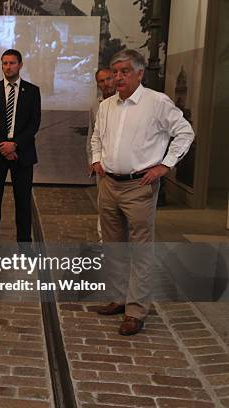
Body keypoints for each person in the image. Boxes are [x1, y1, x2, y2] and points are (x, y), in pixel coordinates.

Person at [90, 49, 194, 335]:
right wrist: (96, 159)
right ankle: (118, 298)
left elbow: (185, 132)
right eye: (115, 72)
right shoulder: (107, 105)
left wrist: (165, 165)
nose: (118, 77)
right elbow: (97, 136)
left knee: (139, 250)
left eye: (125, 71)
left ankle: (135, 311)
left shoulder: (157, 102)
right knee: (112, 247)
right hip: (108, 184)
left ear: (139, 73)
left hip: (140, 186)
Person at [0, 49, 41, 250]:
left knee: (23, 201)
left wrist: (14, 145)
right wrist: (3, 146)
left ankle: (24, 243)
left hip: (22, 154)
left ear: (20, 65)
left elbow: (34, 124)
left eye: (12, 63)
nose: (8, 67)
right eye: (4, 63)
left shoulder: (32, 91)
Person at [86, 68, 115, 246]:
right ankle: (103, 238)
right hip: (101, 163)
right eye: (102, 81)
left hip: (122, 163)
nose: (106, 84)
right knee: (103, 202)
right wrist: (92, 160)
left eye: (109, 79)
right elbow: (91, 135)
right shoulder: (95, 106)